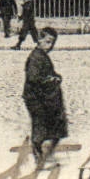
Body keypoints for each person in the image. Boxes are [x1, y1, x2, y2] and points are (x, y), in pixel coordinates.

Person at [22, 27, 68, 165]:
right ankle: (38, 154)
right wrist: (50, 80)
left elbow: (48, 73)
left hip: (44, 98)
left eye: (52, 42)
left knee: (54, 125)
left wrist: (55, 76)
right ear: (39, 40)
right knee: (40, 125)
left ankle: (45, 153)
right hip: (35, 98)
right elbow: (33, 78)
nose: (50, 45)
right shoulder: (35, 57)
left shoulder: (42, 56)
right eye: (47, 42)